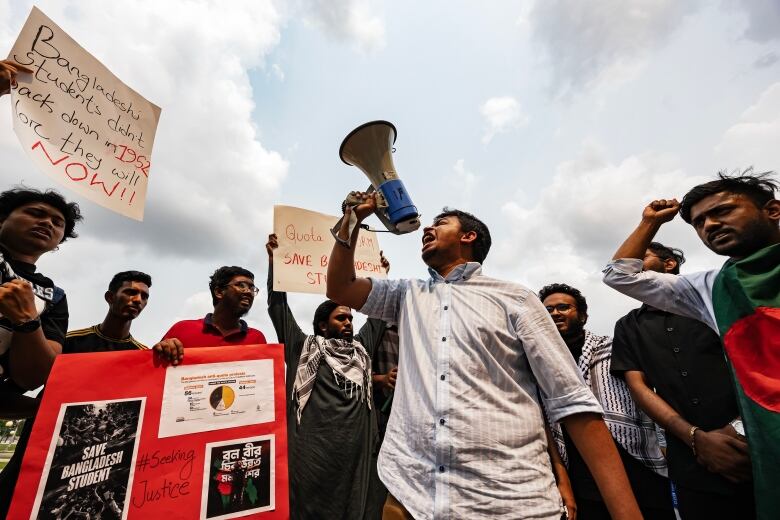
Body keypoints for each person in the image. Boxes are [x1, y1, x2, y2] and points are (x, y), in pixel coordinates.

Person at [326, 193, 642, 520]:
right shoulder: (406, 295)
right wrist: (352, 220)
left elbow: (571, 401)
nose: (426, 230)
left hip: (505, 499)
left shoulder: (515, 298)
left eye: (440, 223)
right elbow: (340, 287)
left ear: (468, 236)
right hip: (413, 497)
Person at [602, 170, 779, 518]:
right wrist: (649, 222)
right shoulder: (711, 289)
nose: (710, 225)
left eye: (723, 211)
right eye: (699, 222)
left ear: (772, 210)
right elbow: (619, 274)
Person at [609, 241, 755, 518]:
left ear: (669, 265)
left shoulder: (714, 303)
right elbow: (639, 388)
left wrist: (736, 429)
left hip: (752, 444)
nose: (634, 263)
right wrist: (694, 438)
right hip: (689, 462)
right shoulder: (628, 325)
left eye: (643, 256)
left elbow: (753, 366)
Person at [266, 233, 390, 519]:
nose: (348, 323)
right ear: (323, 325)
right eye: (341, 318)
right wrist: (275, 266)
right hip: (313, 454)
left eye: (350, 318)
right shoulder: (302, 348)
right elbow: (278, 308)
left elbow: (379, 316)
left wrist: (381, 275)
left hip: (356, 454)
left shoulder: (362, 349)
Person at [539, 283, 672, 520]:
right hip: (578, 471)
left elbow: (650, 389)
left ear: (582, 315)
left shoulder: (613, 348)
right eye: (547, 310)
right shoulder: (537, 362)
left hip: (636, 459)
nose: (555, 313)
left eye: (563, 307)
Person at [0, 188, 82, 517]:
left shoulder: (53, 296)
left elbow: (35, 374)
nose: (46, 222)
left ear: (59, 241)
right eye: (34, 213)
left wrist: (26, 320)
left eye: (57, 222)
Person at [154, 266, 267, 363]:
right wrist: (162, 348)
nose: (248, 291)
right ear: (218, 292)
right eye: (241, 285)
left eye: (252, 288)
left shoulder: (257, 339)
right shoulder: (182, 330)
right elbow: (154, 370)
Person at [65, 271, 151, 353]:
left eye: (144, 297)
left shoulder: (142, 354)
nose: (138, 300)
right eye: (131, 292)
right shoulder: (70, 341)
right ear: (110, 297)